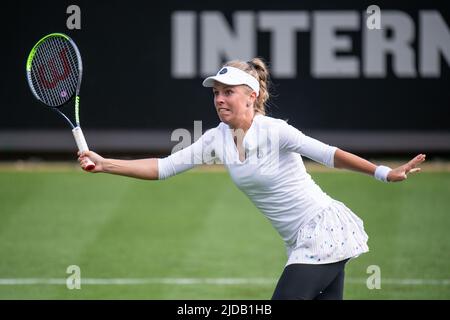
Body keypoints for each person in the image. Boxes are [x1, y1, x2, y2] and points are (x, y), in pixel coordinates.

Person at [78, 57, 426, 300]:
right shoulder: (215, 138)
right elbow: (163, 167)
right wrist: (106, 163)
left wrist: (384, 173)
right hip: (301, 240)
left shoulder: (275, 130)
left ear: (251, 95)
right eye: (216, 92)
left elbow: (328, 153)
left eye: (228, 92)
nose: (219, 98)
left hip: (323, 230)